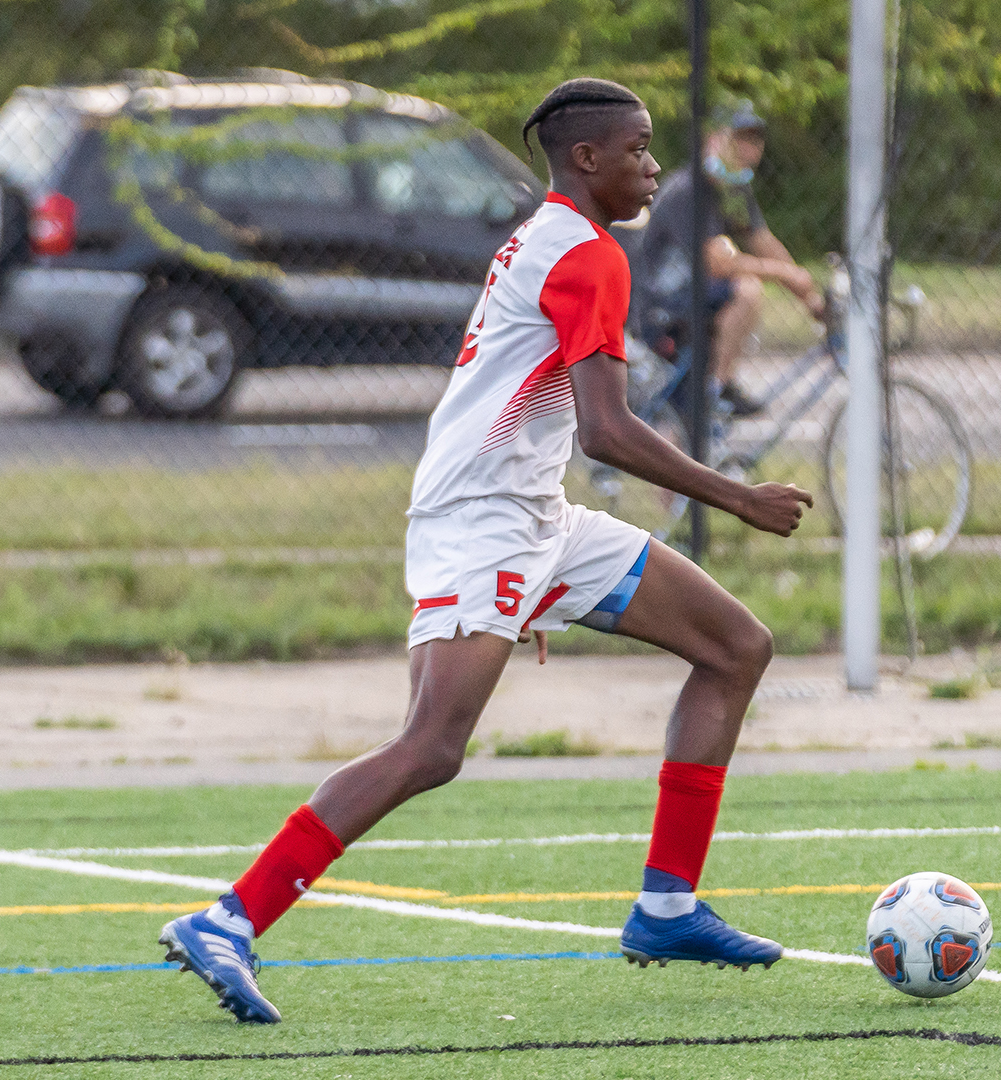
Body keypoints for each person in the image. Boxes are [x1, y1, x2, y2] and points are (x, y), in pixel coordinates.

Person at [158, 78, 815, 1025]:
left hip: (533, 514)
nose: (654, 166)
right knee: (431, 746)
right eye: (637, 149)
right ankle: (230, 918)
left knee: (735, 648)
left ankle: (667, 905)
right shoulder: (585, 254)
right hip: (483, 520)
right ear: (586, 160)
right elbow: (607, 431)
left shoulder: (559, 235)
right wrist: (736, 495)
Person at [636, 99, 825, 417]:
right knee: (747, 290)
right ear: (714, 139)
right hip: (661, 302)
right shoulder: (689, 189)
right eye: (739, 138)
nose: (749, 149)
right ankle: (718, 390)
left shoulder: (733, 190)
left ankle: (713, 393)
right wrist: (785, 274)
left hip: (695, 293)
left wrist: (812, 300)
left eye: (755, 140)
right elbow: (718, 263)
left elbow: (763, 242)